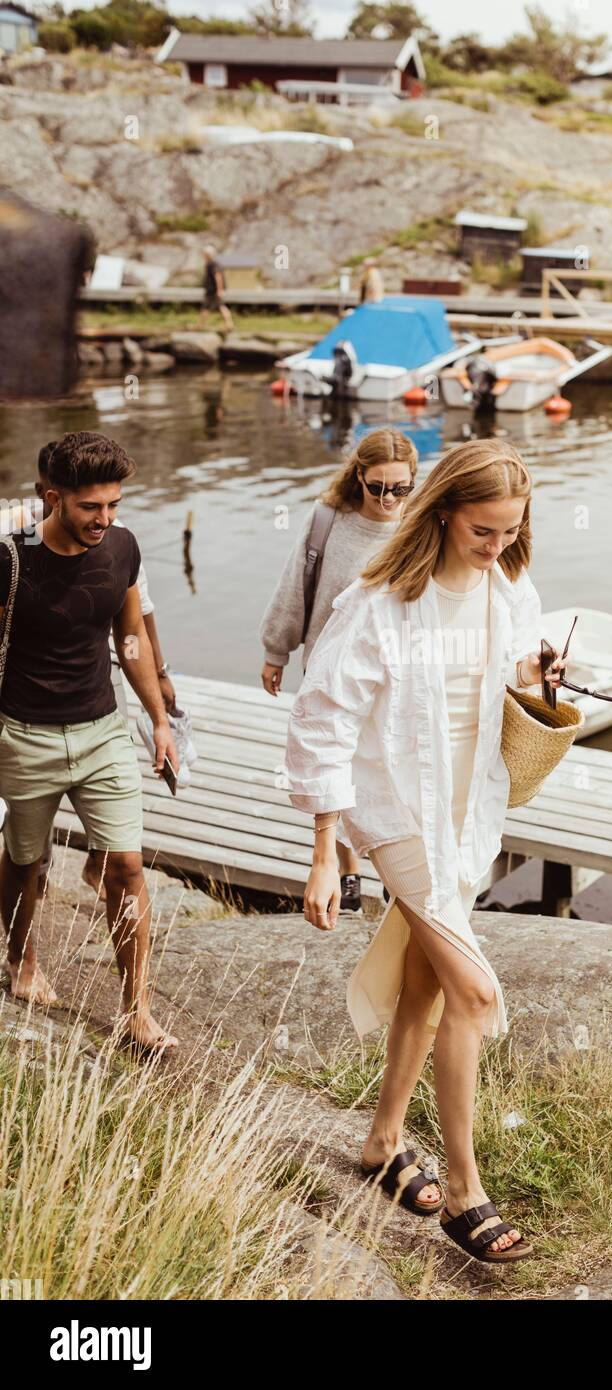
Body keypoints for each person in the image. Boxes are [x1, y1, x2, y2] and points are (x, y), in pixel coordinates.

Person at [284, 439, 567, 1263]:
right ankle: (466, 1188)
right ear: (442, 512)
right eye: (484, 532)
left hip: (468, 810)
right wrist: (324, 849)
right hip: (397, 813)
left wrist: (545, 672)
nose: (498, 548)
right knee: (474, 995)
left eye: (511, 532)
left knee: (424, 983)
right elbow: (323, 719)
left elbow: (517, 667)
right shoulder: (377, 604)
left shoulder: (507, 586)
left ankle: (381, 1142)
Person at [0, 432, 179, 1051]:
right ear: (53, 498)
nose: (105, 519)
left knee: (127, 866)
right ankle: (22, 962)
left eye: (113, 505)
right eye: (90, 508)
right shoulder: (9, 559)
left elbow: (130, 639)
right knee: (28, 863)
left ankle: (137, 1009)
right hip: (24, 736)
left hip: (102, 731)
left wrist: (158, 718)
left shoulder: (123, 546)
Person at [260, 428, 417, 913]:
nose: (389, 498)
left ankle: (396, 866)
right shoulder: (328, 520)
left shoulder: (421, 524)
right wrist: (276, 651)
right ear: (359, 477)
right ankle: (349, 873)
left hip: (397, 674)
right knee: (339, 765)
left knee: (393, 768)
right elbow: (295, 586)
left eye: (400, 488)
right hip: (330, 669)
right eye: (378, 487)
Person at [197, 245, 234, 331]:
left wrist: (219, 290)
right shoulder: (209, 264)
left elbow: (218, 277)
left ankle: (200, 325)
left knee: (208, 307)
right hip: (211, 291)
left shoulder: (213, 264)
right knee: (219, 307)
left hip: (213, 291)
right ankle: (229, 324)